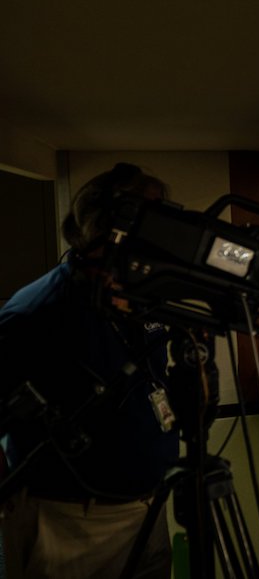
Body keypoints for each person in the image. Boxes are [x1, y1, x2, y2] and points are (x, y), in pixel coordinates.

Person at [0, 163, 176, 578]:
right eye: (154, 218)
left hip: (148, 510)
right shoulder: (36, 312)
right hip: (69, 526)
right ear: (109, 228)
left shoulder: (144, 297)